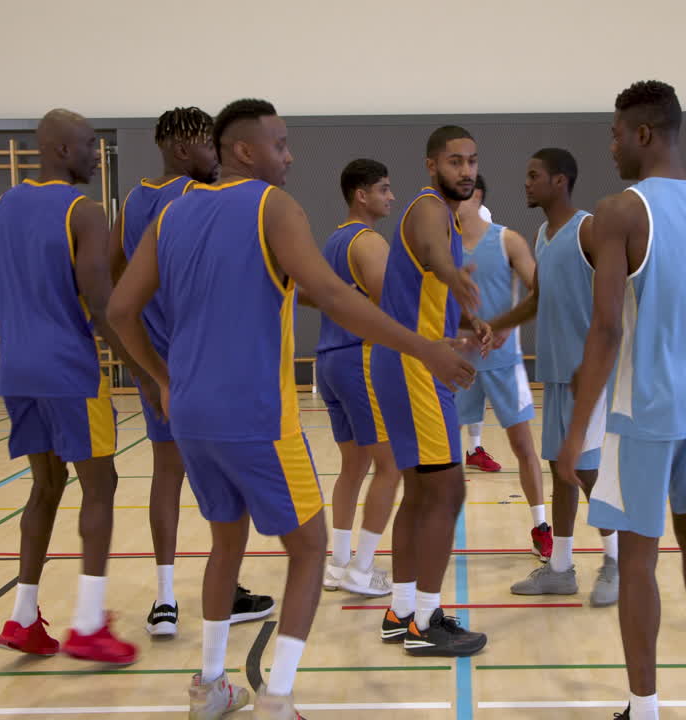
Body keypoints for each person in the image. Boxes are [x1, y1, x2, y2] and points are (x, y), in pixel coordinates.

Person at [109, 99, 475, 720]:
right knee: (308, 550)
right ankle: (277, 698)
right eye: (280, 143)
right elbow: (335, 295)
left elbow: (120, 311)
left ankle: (210, 689)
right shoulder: (272, 206)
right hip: (254, 411)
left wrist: (163, 377)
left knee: (226, 543)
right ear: (244, 151)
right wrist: (424, 348)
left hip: (190, 412)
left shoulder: (170, 215)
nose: (290, 155)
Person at [556, 82, 686, 719]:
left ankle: (645, 708)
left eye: (613, 133)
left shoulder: (620, 211)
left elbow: (605, 328)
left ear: (643, 133)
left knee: (637, 559)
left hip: (648, 411)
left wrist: (575, 429)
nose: (608, 146)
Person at [0, 108, 145, 665]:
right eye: (89, 144)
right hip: (67, 370)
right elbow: (102, 305)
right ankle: (88, 624)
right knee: (100, 485)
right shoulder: (85, 210)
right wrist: (145, 369)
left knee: (45, 488)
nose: (96, 154)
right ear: (58, 150)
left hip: (16, 371)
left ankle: (23, 617)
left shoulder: (4, 205)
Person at [109, 106, 273, 637]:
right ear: (184, 149)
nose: (215, 158)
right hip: (192, 361)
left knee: (166, 475)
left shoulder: (133, 199)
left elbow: (118, 277)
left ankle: (164, 600)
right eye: (209, 146)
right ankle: (223, 587)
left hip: (151, 360)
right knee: (220, 480)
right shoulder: (190, 201)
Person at [370, 125, 490, 657]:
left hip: (404, 363)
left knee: (421, 492)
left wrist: (465, 314)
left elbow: (429, 272)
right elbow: (427, 249)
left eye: (471, 162)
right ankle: (425, 621)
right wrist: (453, 273)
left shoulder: (446, 218)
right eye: (454, 161)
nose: (465, 171)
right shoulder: (429, 209)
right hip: (414, 368)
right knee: (448, 491)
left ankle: (401, 609)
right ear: (431, 165)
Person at [488, 148, 618, 603]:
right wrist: (495, 326)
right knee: (561, 471)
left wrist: (600, 361)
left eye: (533, 175)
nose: (526, 183)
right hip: (559, 374)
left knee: (584, 470)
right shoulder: (544, 233)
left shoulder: (587, 229)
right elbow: (538, 300)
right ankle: (561, 568)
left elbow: (617, 297)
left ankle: (615, 561)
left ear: (559, 181)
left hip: (590, 373)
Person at [452, 174, 550, 560]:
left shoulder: (508, 240)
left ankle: (541, 526)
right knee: (443, 451)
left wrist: (506, 324)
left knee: (523, 446)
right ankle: (438, 526)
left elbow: (539, 289)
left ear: (476, 195)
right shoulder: (443, 248)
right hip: (458, 362)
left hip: (504, 363)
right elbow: (436, 305)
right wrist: (463, 329)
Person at [316, 158, 400, 597]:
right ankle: (362, 570)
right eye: (383, 189)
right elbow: (392, 308)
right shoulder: (368, 242)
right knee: (391, 466)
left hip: (328, 362)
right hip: (359, 360)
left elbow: (317, 298)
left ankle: (340, 562)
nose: (391, 196)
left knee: (354, 466)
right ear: (361, 195)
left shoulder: (333, 240)